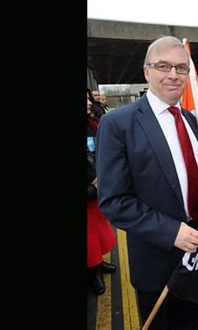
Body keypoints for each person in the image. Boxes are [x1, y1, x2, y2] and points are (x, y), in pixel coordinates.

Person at [96, 36, 198, 329]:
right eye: (164, 66)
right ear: (147, 71)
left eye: (181, 67)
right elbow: (113, 200)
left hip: (196, 256)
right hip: (155, 260)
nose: (173, 75)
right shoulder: (118, 123)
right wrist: (171, 231)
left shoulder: (189, 119)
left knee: (188, 324)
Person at [87, 90, 118, 295]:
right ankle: (92, 273)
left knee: (98, 233)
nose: (89, 103)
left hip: (96, 189)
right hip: (90, 188)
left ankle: (98, 264)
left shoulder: (91, 123)